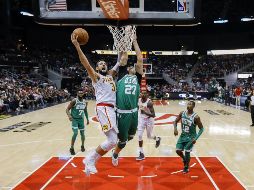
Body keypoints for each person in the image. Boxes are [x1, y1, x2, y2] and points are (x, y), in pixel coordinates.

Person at [71, 33, 120, 175]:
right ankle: (90, 159)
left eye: (105, 63)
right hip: (104, 107)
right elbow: (85, 63)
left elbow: (120, 60)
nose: (103, 64)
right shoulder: (96, 76)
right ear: (97, 68)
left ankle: (89, 163)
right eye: (100, 63)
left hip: (110, 109)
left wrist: (121, 46)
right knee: (112, 140)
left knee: (113, 140)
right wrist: (77, 46)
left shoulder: (110, 76)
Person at [111, 36, 143, 166]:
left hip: (134, 112)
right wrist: (124, 42)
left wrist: (135, 41)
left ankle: (118, 146)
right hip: (122, 113)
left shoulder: (138, 77)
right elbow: (124, 58)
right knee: (123, 141)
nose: (131, 67)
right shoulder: (122, 74)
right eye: (129, 66)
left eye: (133, 67)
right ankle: (115, 154)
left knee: (131, 136)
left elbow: (140, 58)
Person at [174, 101, 204, 173]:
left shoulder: (196, 117)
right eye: (188, 104)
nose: (188, 105)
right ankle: (184, 159)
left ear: (193, 106)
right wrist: (175, 129)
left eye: (190, 104)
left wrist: (195, 138)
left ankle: (186, 167)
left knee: (187, 150)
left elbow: (202, 129)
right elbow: (175, 121)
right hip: (183, 136)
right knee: (178, 150)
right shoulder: (182, 113)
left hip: (191, 137)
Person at [136, 91, 161, 160]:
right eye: (142, 93)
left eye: (145, 93)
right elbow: (137, 108)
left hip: (149, 119)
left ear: (147, 95)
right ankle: (141, 153)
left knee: (149, 136)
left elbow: (153, 115)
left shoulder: (149, 103)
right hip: (141, 119)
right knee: (139, 135)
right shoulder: (138, 100)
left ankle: (157, 139)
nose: (143, 94)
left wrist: (145, 112)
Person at [66, 89, 88, 155]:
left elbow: (85, 111)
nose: (80, 94)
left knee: (82, 134)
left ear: (83, 94)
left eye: (82, 93)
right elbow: (67, 109)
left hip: (81, 119)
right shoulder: (74, 101)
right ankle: (71, 148)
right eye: (79, 93)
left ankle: (82, 146)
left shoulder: (85, 102)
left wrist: (87, 119)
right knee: (75, 133)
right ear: (77, 94)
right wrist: (69, 116)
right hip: (74, 119)